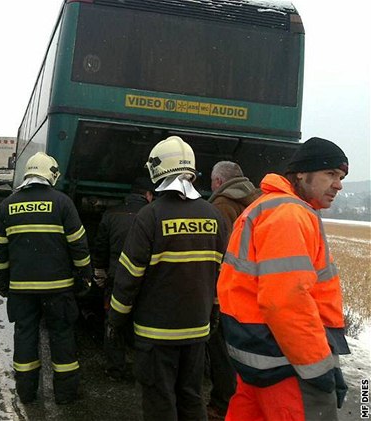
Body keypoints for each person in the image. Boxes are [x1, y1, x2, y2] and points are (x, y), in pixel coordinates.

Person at [217, 137, 350, 421]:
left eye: (340, 177)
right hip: (288, 365)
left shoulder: (268, 206)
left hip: (259, 359)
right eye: (330, 174)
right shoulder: (289, 214)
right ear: (301, 173)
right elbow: (286, 302)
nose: (338, 184)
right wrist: (319, 370)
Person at [108, 136, 228, 421]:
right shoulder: (214, 216)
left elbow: (129, 277)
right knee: (191, 396)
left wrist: (116, 319)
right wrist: (212, 314)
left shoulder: (150, 216)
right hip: (196, 331)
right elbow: (221, 276)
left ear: (157, 171)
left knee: (160, 400)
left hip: (155, 333)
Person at [0, 151, 92, 405]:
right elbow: (78, 247)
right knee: (62, 338)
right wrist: (84, 278)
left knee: (25, 336)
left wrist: (4, 283)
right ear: (52, 175)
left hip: (21, 290)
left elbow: (0, 251)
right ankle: (66, 395)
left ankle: (26, 393)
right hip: (58, 289)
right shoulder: (62, 203)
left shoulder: (7, 206)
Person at [205, 161, 261, 418]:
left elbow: (220, 251)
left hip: (230, 290)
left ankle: (221, 403)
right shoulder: (260, 201)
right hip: (257, 288)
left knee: (221, 349)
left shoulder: (220, 206)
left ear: (218, 182)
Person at [92, 176, 154, 381]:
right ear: (148, 195)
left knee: (113, 322)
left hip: (116, 278)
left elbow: (100, 247)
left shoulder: (111, 214)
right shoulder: (152, 215)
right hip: (145, 281)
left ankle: (115, 369)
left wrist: (99, 273)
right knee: (143, 322)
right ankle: (144, 368)